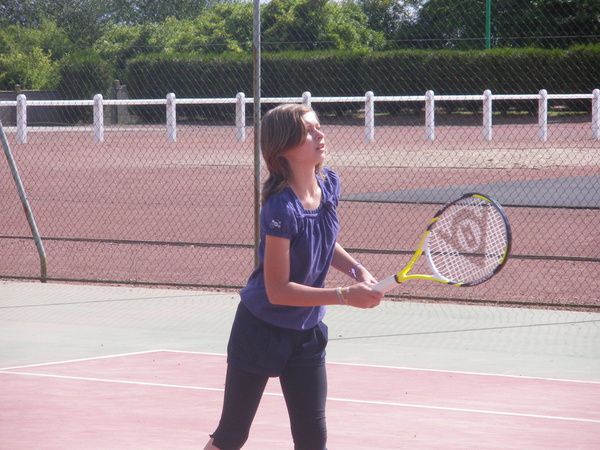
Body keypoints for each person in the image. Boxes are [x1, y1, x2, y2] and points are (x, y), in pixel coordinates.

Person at [204, 104, 383, 450]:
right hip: (260, 331)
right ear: (284, 147)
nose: (321, 135)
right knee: (231, 435)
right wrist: (346, 294)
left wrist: (356, 269)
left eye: (319, 126)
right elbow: (278, 290)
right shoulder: (279, 208)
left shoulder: (329, 184)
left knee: (313, 440)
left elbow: (322, 240)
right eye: (309, 131)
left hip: (307, 335)